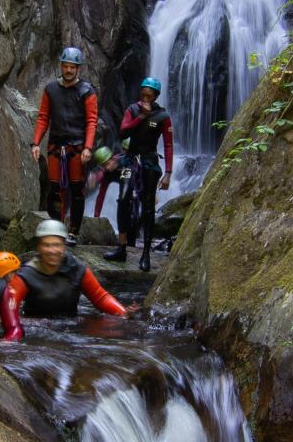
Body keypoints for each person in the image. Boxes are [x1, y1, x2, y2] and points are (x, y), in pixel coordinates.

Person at [103, 78, 173, 271]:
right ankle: (121, 247)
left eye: (149, 95)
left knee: (148, 206)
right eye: (143, 94)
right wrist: (141, 117)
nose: (145, 98)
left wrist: (168, 173)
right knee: (123, 198)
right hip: (130, 160)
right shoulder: (132, 110)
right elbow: (123, 133)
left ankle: (146, 254)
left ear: (156, 96)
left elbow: (168, 144)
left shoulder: (163, 116)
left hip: (149, 162)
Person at [32, 48, 99, 243]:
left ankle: (73, 232)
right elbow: (43, 117)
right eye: (66, 66)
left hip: (77, 148)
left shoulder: (87, 91)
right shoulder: (51, 89)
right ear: (61, 66)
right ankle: (57, 230)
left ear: (78, 69)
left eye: (73, 67)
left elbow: (91, 121)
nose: (69, 70)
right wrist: (36, 143)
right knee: (54, 189)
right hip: (56, 146)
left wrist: (88, 147)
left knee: (77, 191)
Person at [12, 220, 135, 317]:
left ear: (64, 247)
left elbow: (101, 298)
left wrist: (123, 313)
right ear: (38, 247)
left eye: (56, 245)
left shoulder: (76, 269)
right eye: (46, 245)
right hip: (35, 329)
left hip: (70, 327)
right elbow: (10, 309)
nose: (52, 250)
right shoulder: (25, 276)